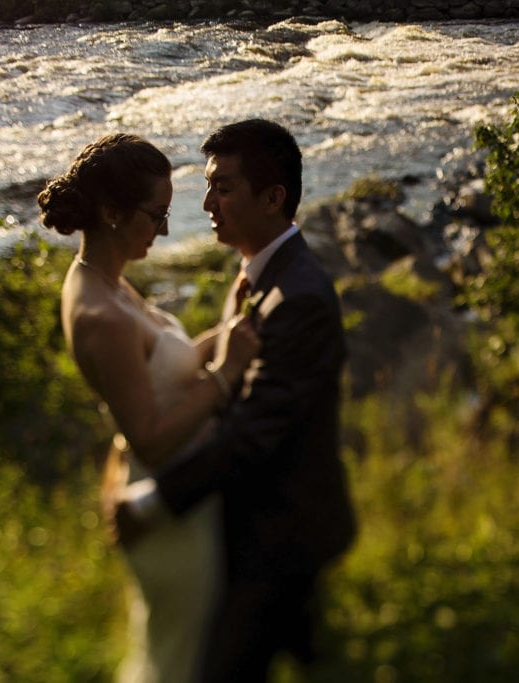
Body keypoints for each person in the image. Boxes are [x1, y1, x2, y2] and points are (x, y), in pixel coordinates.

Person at [116, 119, 358, 682]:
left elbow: (255, 433)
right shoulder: (259, 273)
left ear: (273, 198)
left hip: (280, 536)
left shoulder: (297, 299)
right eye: (208, 186)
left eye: (222, 188)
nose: (206, 203)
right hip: (256, 522)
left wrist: (152, 503)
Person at [38, 133, 261, 683]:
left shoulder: (104, 279)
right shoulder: (101, 315)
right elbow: (150, 436)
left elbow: (165, 368)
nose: (164, 231)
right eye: (155, 216)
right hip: (167, 515)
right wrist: (228, 372)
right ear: (112, 212)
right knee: (182, 660)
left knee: (178, 648)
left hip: (178, 497)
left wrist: (227, 327)